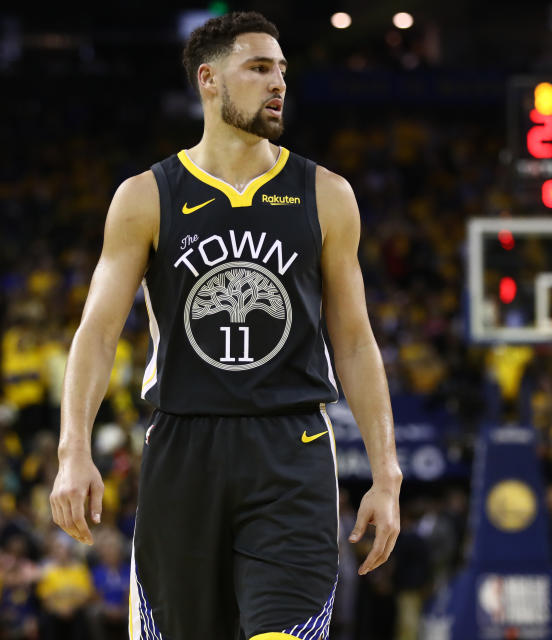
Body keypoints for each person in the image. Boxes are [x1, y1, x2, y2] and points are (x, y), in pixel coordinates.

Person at [50, 11, 401, 640]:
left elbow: (352, 340)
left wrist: (387, 470)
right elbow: (97, 333)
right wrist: (74, 449)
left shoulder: (325, 193)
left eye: (283, 71)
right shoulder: (146, 196)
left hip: (291, 449)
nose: (278, 84)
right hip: (183, 446)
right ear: (208, 80)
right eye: (259, 68)